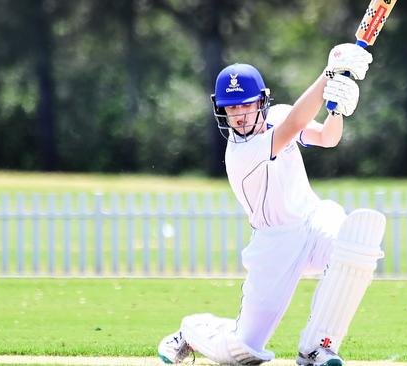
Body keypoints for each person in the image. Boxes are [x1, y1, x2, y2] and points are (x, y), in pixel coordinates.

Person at [158, 43, 386, 366]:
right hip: (274, 244)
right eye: (231, 108)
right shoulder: (239, 155)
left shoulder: (277, 117)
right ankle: (191, 332)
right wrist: (329, 74)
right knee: (243, 351)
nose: (238, 115)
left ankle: (318, 348)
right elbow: (293, 126)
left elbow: (327, 138)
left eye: (245, 105)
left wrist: (337, 110)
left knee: (353, 247)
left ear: (262, 101)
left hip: (313, 220)